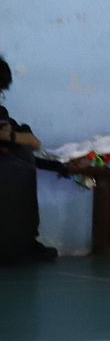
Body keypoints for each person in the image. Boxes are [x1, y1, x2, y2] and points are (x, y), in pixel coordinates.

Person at [0, 54, 56, 265]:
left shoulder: (3, 115)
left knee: (24, 157)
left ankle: (24, 242)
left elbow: (34, 142)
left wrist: (10, 137)